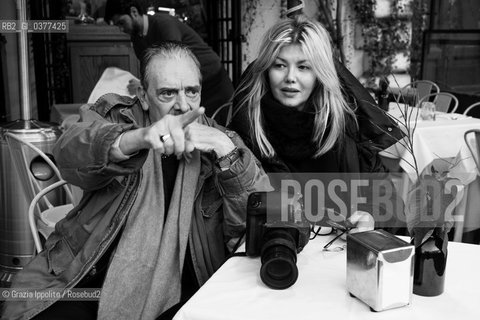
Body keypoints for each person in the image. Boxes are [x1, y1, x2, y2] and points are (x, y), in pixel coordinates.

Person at [1, 42, 270, 320]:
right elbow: (69, 153)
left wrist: (226, 152)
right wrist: (135, 140)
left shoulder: (220, 140)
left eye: (192, 91)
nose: (183, 105)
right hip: (88, 277)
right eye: (167, 93)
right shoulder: (116, 116)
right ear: (143, 95)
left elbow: (262, 221)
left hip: (187, 287)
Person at [228, 16, 405, 231]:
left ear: (320, 74)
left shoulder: (347, 127)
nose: (290, 77)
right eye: (280, 65)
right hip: (272, 253)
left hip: (336, 254)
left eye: (303, 67)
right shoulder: (247, 130)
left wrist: (370, 217)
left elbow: (389, 204)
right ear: (266, 71)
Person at [104, 0, 234, 122]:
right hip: (184, 90)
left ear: (134, 12)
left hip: (214, 83)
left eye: (121, 22)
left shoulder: (163, 24)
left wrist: (144, 84)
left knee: (214, 127)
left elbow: (173, 65)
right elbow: (147, 70)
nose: (121, 29)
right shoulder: (137, 40)